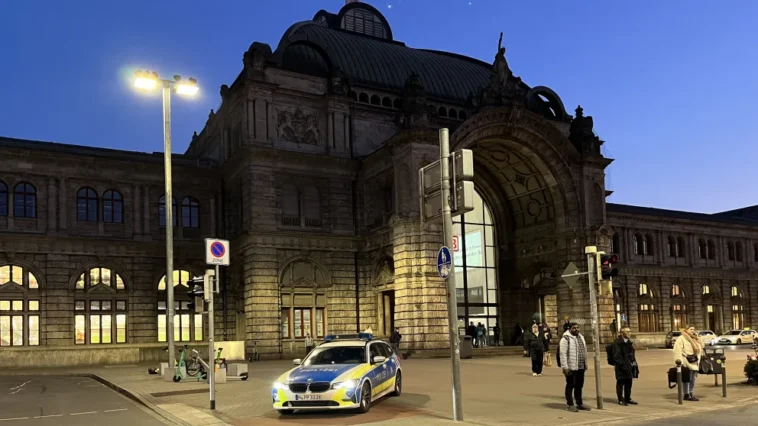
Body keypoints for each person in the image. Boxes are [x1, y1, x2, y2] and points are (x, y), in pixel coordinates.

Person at [560, 323, 591, 412]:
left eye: (578, 328)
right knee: (570, 385)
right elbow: (563, 354)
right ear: (570, 329)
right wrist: (565, 367)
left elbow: (584, 351)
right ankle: (570, 404)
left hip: (581, 366)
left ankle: (579, 403)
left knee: (579, 385)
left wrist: (585, 364)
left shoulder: (581, 337)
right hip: (571, 367)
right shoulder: (566, 338)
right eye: (574, 328)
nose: (576, 329)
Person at [673, 325, 703, 401]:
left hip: (694, 361)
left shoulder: (695, 338)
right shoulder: (681, 338)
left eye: (694, 329)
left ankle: (691, 393)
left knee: (693, 378)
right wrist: (679, 362)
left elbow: (702, 347)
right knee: (687, 378)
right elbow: (677, 350)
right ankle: (686, 394)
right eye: (691, 329)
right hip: (686, 361)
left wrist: (699, 339)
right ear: (686, 330)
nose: (693, 331)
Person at [612, 327, 639, 405]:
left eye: (630, 331)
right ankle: (620, 399)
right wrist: (623, 364)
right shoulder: (617, 342)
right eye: (627, 332)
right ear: (622, 333)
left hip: (629, 366)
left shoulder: (629, 342)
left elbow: (632, 354)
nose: (629, 333)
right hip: (621, 366)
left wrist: (634, 363)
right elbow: (616, 356)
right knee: (620, 383)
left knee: (629, 383)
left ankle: (627, 398)